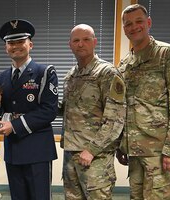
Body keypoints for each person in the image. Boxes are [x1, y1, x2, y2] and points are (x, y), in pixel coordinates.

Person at [116, 4, 170, 200]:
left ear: (148, 23)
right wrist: (121, 144)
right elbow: (123, 107)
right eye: (128, 24)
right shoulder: (126, 63)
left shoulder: (168, 54)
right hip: (134, 152)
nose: (134, 27)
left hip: (160, 152)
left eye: (139, 22)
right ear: (124, 29)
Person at [60, 24, 126, 199]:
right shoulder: (71, 76)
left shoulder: (107, 73)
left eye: (86, 39)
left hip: (95, 158)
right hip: (70, 155)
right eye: (76, 40)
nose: (81, 44)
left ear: (94, 42)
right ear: (70, 45)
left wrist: (91, 150)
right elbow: (66, 110)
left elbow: (115, 119)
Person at [0, 19, 58, 200]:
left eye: (20, 41)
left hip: (37, 150)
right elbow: (2, 113)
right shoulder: (1, 78)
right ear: (6, 47)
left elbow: (49, 111)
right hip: (13, 150)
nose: (15, 46)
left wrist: (14, 126)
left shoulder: (44, 73)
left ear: (31, 44)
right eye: (10, 43)